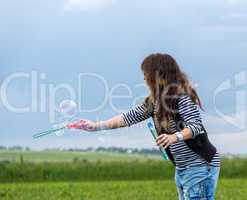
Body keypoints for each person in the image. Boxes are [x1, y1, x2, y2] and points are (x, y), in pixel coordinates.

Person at [68, 53, 221, 200]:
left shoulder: (182, 98)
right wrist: (95, 126)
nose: (144, 78)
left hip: (200, 165)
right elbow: (128, 117)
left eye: (146, 73)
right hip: (183, 168)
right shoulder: (154, 102)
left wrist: (174, 137)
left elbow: (196, 126)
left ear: (160, 75)